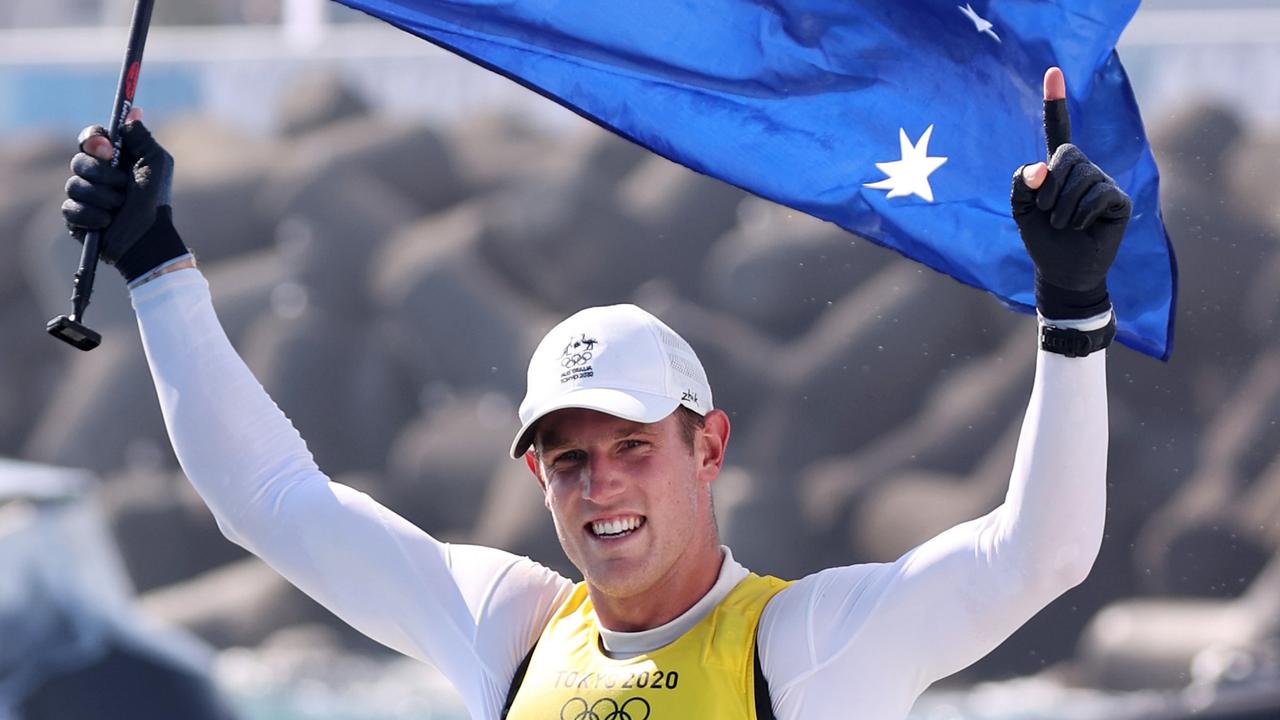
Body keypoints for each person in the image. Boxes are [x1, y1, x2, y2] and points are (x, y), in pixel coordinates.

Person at [60, 67, 1127, 719]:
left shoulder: (807, 647)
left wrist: (1071, 309)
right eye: (569, 455)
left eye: (631, 445)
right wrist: (154, 263)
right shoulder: (511, 633)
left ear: (707, 447)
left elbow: (1038, 556)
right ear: (534, 473)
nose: (600, 483)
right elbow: (270, 501)